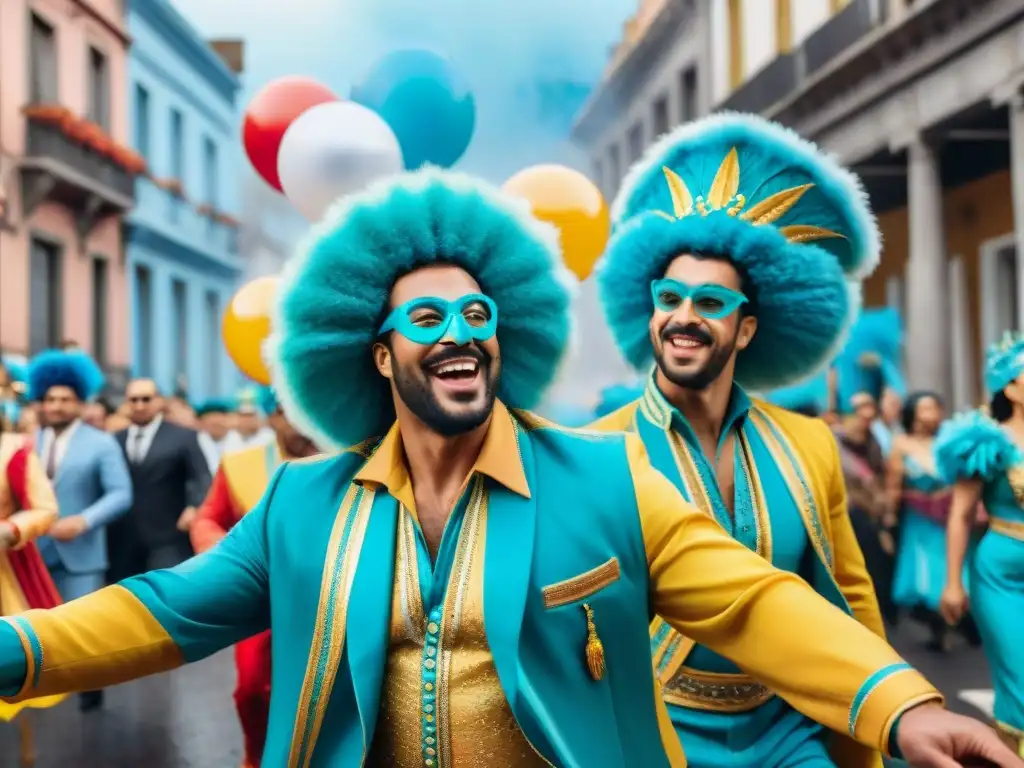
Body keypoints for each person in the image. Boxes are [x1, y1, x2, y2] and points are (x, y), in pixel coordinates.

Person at [0, 169, 1016, 768]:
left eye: (479, 317)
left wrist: (901, 703)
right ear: (377, 350)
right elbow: (161, 614)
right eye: (428, 319)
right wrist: (15, 652)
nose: (460, 336)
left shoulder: (604, 480)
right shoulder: (303, 503)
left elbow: (754, 600)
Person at [590, 112, 902, 768]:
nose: (683, 316)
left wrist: (888, 716)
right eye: (669, 297)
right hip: (655, 730)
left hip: (789, 729)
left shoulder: (808, 444)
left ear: (748, 330)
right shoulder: (594, 452)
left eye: (710, 303)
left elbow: (849, 599)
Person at [189, 386, 317, 768]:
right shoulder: (240, 464)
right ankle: (256, 757)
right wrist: (225, 554)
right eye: (286, 410)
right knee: (251, 690)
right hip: (263, 601)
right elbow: (208, 518)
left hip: (333, 601)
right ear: (271, 418)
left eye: (304, 407)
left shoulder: (351, 458)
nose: (296, 419)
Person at [27, 350, 133, 711]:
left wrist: (84, 520)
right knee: (38, 626)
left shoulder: (100, 442)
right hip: (35, 551)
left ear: (79, 402)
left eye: (65, 399)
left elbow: (121, 494)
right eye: (50, 399)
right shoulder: (28, 442)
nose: (56, 406)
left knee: (83, 629)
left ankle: (91, 690)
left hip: (82, 552)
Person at [938, 331, 1024, 757]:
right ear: (1010, 387)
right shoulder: (985, 441)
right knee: (1019, 679)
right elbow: (959, 515)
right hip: (1001, 574)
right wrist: (952, 582)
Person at [0, 371, 63, 729]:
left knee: (12, 664)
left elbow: (45, 507)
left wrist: (12, 529)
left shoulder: (14, 450)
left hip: (4, 572)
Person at [106, 378, 211, 582]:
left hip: (168, 535)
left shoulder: (184, 437)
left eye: (146, 399)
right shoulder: (114, 440)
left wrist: (194, 506)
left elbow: (201, 476)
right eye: (133, 400)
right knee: (125, 600)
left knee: (166, 593)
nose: (139, 405)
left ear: (159, 402)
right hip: (122, 538)